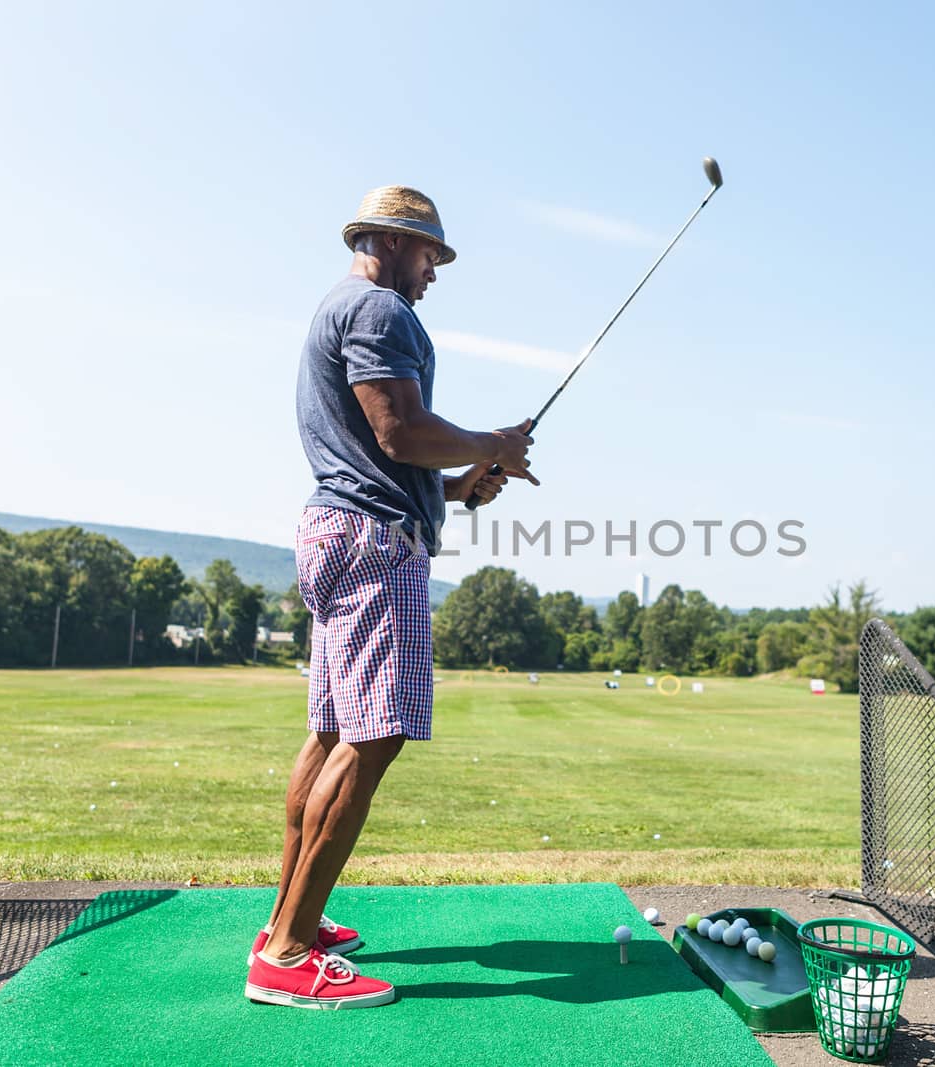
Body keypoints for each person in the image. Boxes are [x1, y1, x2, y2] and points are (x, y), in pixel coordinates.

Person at [244, 185, 537, 1009]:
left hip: (342, 526)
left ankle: (282, 925)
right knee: (377, 737)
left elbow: (394, 453)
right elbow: (398, 432)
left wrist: (458, 485)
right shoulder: (380, 310)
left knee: (334, 729)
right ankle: (290, 954)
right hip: (374, 543)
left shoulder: (340, 308)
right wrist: (494, 443)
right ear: (387, 240)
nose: (435, 273)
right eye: (428, 255)